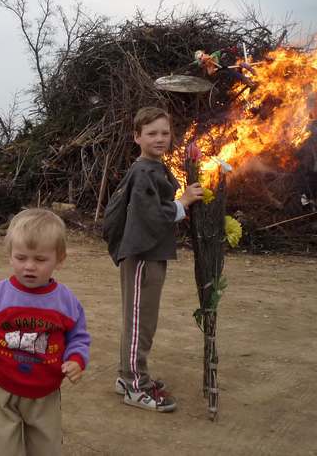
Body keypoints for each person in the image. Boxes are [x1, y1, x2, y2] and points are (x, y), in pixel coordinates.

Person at [0, 208, 90, 455]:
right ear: (10, 255)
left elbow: (78, 337)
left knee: (46, 448)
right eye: (21, 258)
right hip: (3, 387)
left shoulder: (66, 302)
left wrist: (76, 359)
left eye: (40, 259)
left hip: (45, 392)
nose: (29, 267)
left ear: (60, 258)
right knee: (2, 449)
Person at [106, 107, 203, 412]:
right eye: (151, 133)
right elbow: (149, 214)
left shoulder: (154, 167)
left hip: (151, 253)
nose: (160, 138)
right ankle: (135, 386)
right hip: (143, 256)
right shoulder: (144, 171)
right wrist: (183, 203)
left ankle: (127, 376)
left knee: (139, 318)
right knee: (141, 321)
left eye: (165, 133)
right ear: (137, 137)